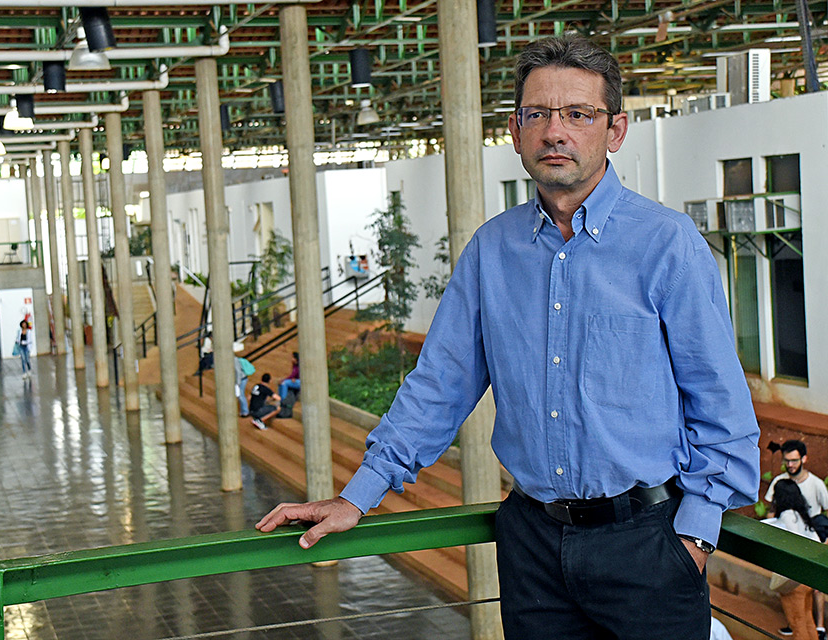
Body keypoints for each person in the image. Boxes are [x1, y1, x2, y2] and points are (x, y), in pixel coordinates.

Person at [257, 35, 760, 640]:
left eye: (578, 114)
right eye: (537, 114)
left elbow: (719, 401)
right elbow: (439, 385)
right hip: (531, 545)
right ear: (516, 130)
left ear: (616, 130)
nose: (556, 131)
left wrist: (693, 539)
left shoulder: (667, 245)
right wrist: (357, 496)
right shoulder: (491, 252)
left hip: (647, 544)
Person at [764, 440, 828, 638]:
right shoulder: (801, 515)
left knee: (798, 621)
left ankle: (821, 627)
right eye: (787, 461)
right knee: (804, 616)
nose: (790, 465)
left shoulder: (815, 485)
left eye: (794, 460)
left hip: (797, 569)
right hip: (804, 563)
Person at [234, 342, 253, 417]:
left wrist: (237, 383)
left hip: (241, 379)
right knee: (240, 394)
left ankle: (245, 411)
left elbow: (238, 371)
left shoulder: (234, 360)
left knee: (241, 394)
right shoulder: (234, 359)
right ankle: (243, 410)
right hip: (241, 378)